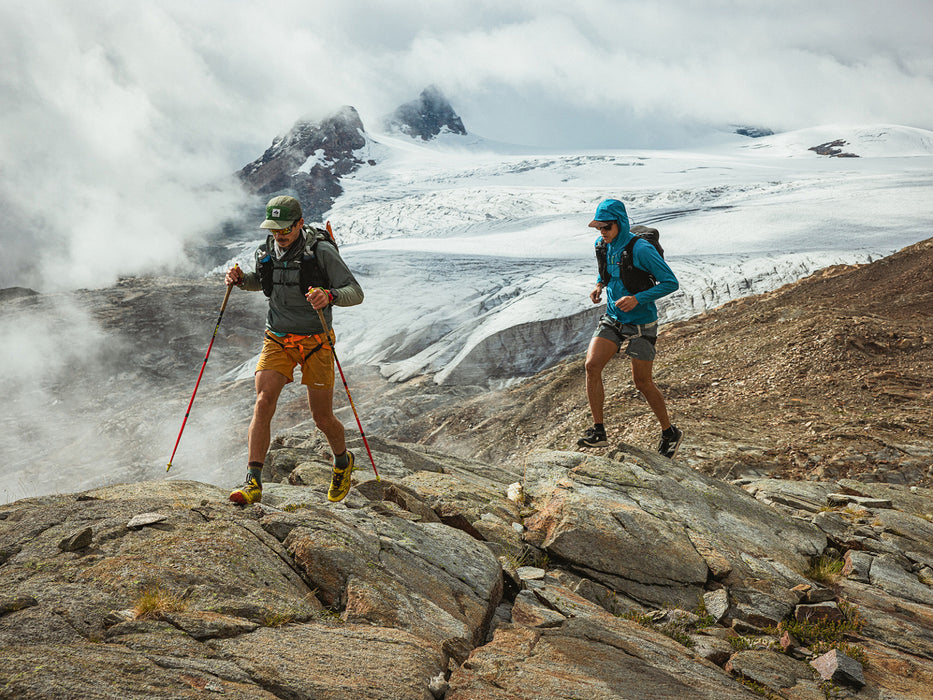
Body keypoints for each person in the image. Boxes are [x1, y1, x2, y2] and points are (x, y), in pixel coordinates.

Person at [225, 195, 364, 504]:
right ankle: (253, 482)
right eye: (274, 229)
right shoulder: (265, 251)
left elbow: (355, 292)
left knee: (322, 418)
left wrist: (329, 295)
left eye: (285, 229)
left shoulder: (322, 252)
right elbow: (263, 284)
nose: (279, 235)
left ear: (300, 223)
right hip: (277, 338)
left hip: (316, 342)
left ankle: (342, 463)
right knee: (263, 402)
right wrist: (239, 280)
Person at [578, 198, 684, 458]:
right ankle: (599, 431)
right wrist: (599, 286)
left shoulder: (642, 249)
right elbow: (607, 272)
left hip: (641, 323)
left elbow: (671, 283)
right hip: (613, 317)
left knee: (642, 382)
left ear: (620, 223)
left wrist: (638, 298)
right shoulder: (602, 245)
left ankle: (669, 432)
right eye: (599, 228)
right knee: (591, 366)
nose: (602, 232)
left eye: (607, 227)